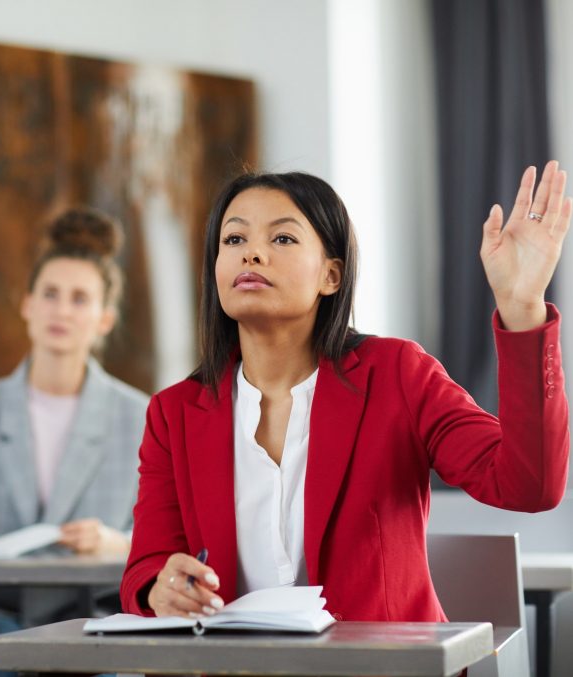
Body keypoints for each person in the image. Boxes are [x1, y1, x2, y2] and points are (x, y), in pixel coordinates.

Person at [120, 163, 570, 623]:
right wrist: (162, 588)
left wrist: (522, 309)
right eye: (234, 240)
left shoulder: (398, 374)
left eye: (282, 239)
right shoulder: (173, 413)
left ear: (330, 276)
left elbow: (528, 485)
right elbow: (147, 565)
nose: (252, 254)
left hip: (382, 669)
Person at [0, 206, 149, 676]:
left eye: (80, 299)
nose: (62, 310)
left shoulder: (141, 416)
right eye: (50, 294)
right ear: (27, 304)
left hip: (98, 621)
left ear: (105, 318)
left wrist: (116, 542)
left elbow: (168, 538)